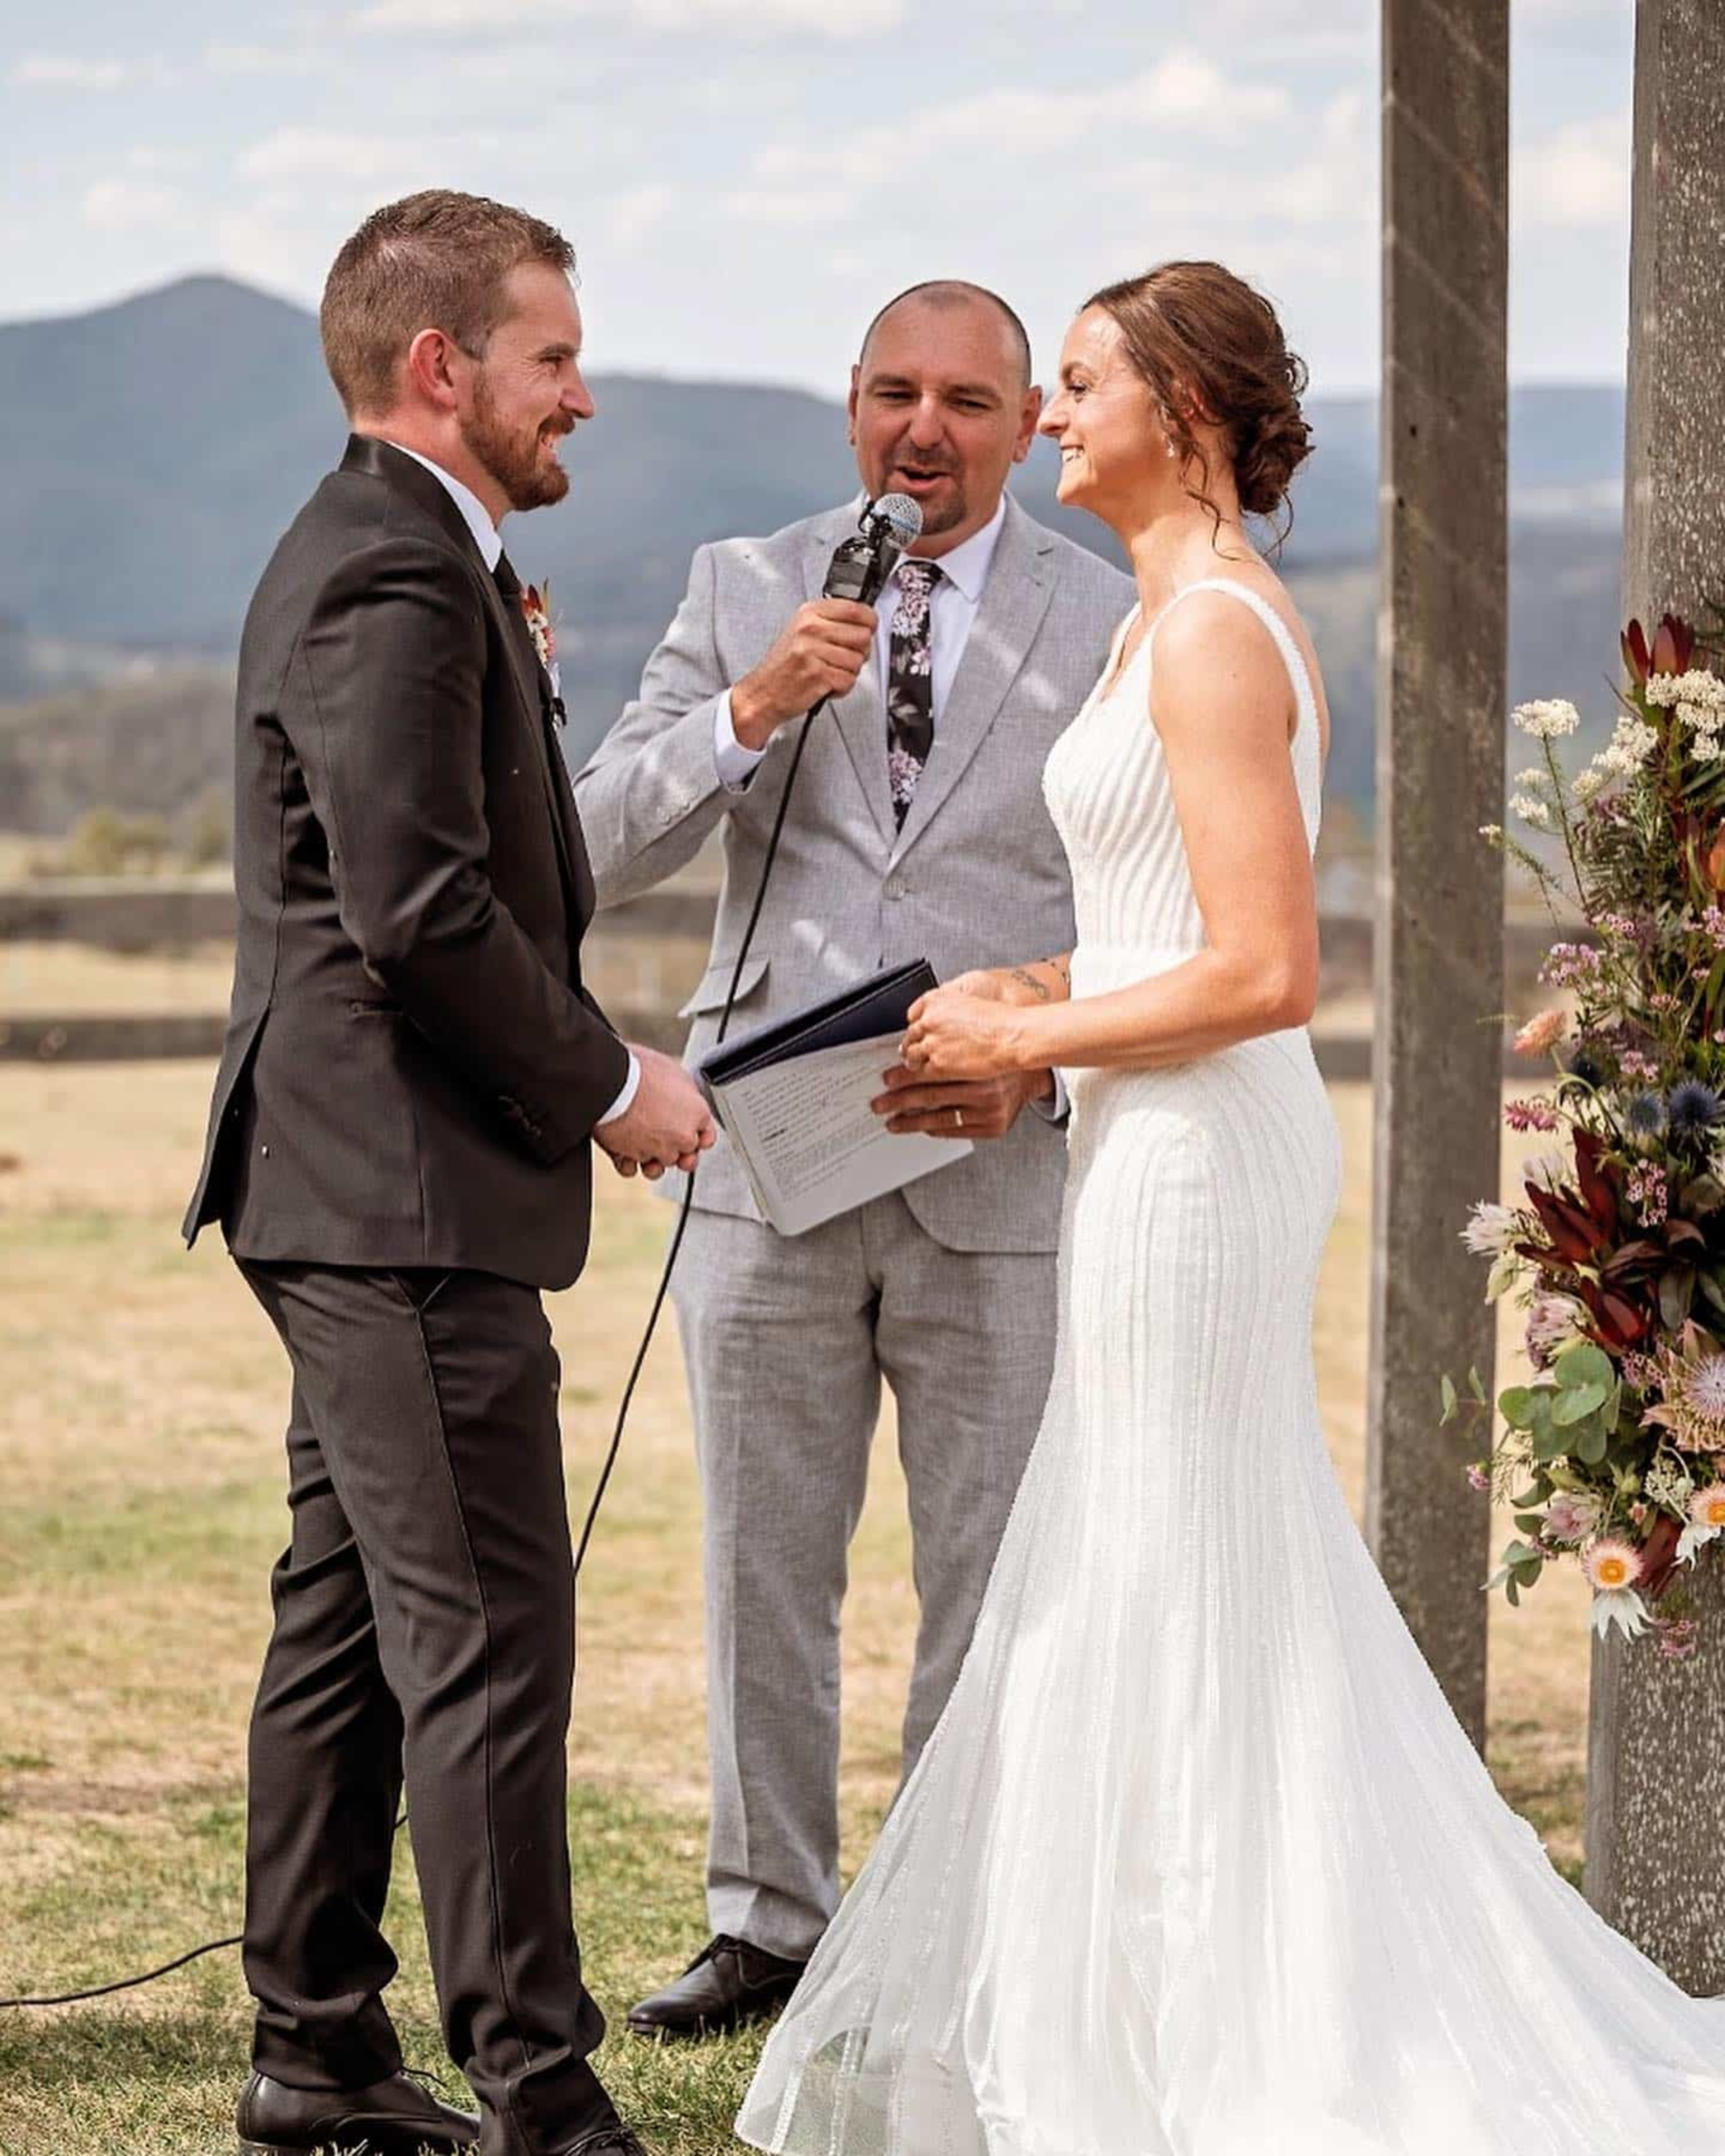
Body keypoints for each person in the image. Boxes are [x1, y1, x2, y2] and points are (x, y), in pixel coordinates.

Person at [737, 261, 1725, 2155]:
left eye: (1083, 381)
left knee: (1168, 1562)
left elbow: (1274, 972)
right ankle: (1149, 2007)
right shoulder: (1159, 621)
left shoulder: (1204, 636)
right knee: (1158, 1556)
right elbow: (1162, 923)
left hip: (1198, 1158)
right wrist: (1041, 985)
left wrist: (1038, 1050)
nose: (1049, 416)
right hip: (1153, 1129)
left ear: (1183, 408)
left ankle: (1211, 2040)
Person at [183, 188, 713, 2156]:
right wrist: (609, 1084)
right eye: (552, 356)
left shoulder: (432, 564)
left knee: (347, 1615)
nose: (581, 394)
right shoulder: (394, 575)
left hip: (365, 1185)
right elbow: (415, 908)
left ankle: (315, 2057)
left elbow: (461, 851)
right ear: (443, 367)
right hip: (399, 1194)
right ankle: (543, 2096)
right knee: (489, 1635)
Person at [575, 282, 1131, 2040]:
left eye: (969, 400)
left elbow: (1158, 911)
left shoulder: (1110, 616)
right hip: (765, 1169)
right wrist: (748, 710)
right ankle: (769, 1929)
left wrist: (1044, 1074)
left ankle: (947, 1923)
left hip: (998, 1170)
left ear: (1029, 417)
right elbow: (588, 846)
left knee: (986, 1578)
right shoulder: (747, 586)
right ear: (850, 407)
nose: (927, 429)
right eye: (896, 392)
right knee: (766, 1567)